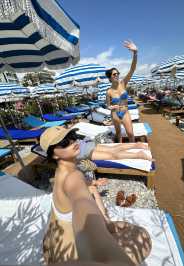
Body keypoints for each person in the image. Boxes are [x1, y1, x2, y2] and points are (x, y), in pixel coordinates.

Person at [40, 126, 152, 265]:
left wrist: (93, 182)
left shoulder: (61, 172)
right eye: (64, 142)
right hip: (70, 256)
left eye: (73, 136)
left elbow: (82, 187)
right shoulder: (73, 177)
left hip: (54, 245)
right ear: (54, 155)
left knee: (124, 227)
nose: (73, 142)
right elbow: (83, 206)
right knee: (142, 236)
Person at [105, 40, 138, 143]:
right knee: (118, 134)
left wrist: (135, 53)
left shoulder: (123, 83)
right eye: (114, 74)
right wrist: (111, 107)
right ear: (110, 78)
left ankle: (133, 152)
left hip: (125, 111)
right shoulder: (109, 92)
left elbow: (132, 69)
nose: (117, 75)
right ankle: (121, 154)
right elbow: (108, 105)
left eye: (117, 73)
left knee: (131, 134)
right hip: (114, 114)